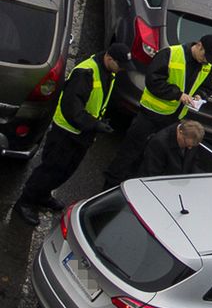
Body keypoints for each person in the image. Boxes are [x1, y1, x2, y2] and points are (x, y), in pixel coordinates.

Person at [12, 43, 130, 227]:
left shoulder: (108, 72)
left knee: (65, 171)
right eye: (120, 65)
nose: (121, 70)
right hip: (66, 134)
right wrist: (95, 124)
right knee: (50, 170)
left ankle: (42, 195)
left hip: (81, 134)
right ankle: (26, 201)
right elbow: (71, 109)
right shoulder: (86, 73)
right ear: (109, 58)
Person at [102, 34, 212, 190]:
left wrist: (200, 95)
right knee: (129, 152)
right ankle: (109, 188)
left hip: (173, 118)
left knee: (153, 156)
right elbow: (153, 81)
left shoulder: (206, 64)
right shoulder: (171, 54)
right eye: (205, 56)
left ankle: (133, 189)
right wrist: (178, 95)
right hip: (151, 114)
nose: (206, 61)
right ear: (199, 45)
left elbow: (207, 87)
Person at [137, 120, 206, 179]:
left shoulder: (191, 139)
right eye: (187, 144)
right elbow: (152, 172)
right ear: (180, 133)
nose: (190, 148)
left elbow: (194, 163)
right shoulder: (159, 143)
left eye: (192, 146)